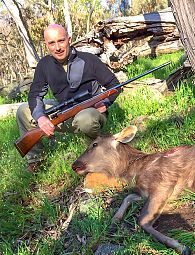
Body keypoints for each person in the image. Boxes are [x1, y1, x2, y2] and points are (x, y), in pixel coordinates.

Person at [16, 24, 120, 172]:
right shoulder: (44, 64)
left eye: (61, 41)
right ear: (46, 44)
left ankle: (94, 151)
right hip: (62, 111)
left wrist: (105, 102)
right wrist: (41, 117)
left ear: (69, 39)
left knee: (86, 118)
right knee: (23, 110)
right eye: (52, 43)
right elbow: (35, 95)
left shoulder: (89, 59)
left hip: (90, 111)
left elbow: (114, 85)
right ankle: (36, 160)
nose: (57, 47)